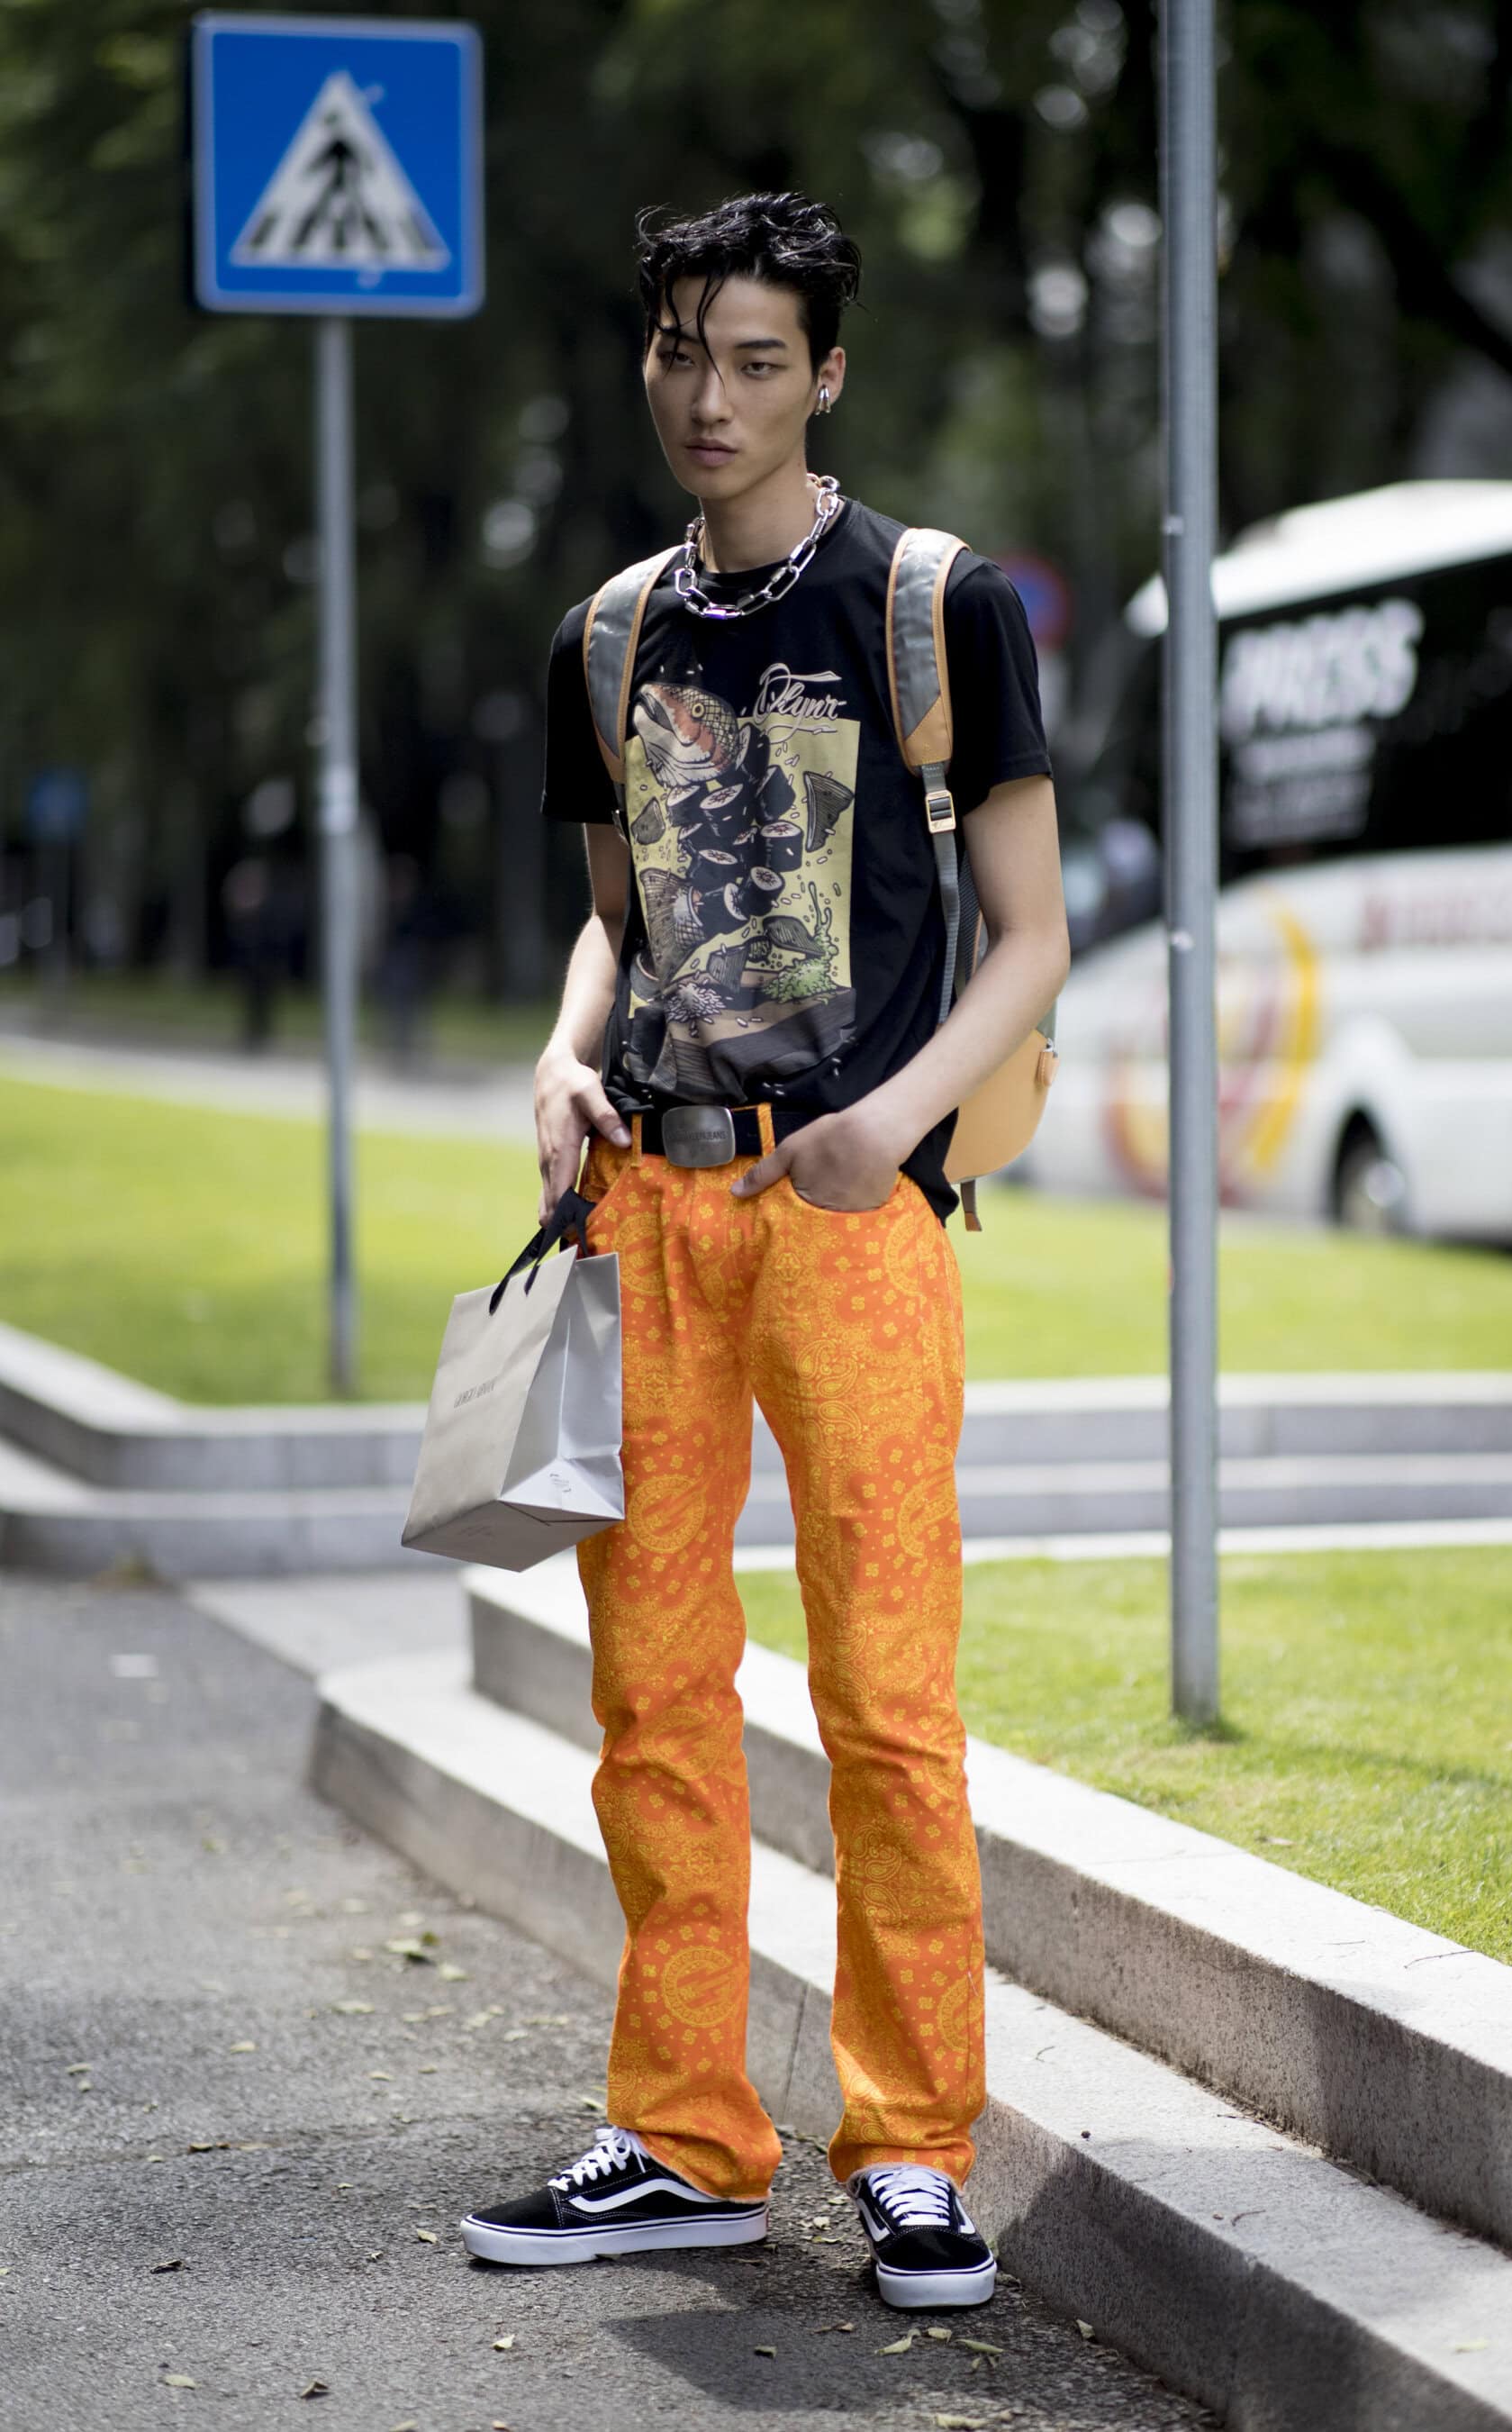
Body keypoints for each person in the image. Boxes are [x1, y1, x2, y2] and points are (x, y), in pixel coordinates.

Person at [460, 191, 1069, 2310]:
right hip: (649, 1212)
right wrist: (563, 1054)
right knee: (652, 1693)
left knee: (887, 1701)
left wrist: (894, 1125)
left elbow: (1032, 935)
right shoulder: (611, 634)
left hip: (851, 1216)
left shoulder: (932, 608)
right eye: (678, 353)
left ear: (824, 374)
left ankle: (911, 2146)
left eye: (752, 360)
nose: (707, 397)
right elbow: (617, 921)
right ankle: (685, 2132)